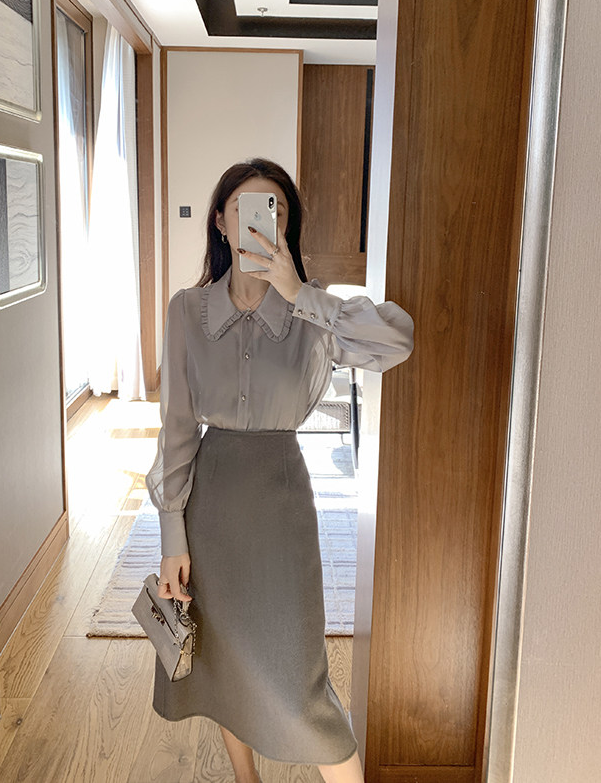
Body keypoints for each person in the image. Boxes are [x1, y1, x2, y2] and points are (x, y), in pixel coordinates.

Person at [146, 158, 414, 783]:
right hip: (210, 506)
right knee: (223, 660)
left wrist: (301, 294)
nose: (257, 221)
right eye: (243, 207)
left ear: (286, 226)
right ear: (221, 220)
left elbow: (396, 341)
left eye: (274, 210)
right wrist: (172, 537)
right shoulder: (186, 310)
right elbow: (177, 429)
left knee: (301, 682)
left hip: (282, 504)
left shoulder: (310, 313)